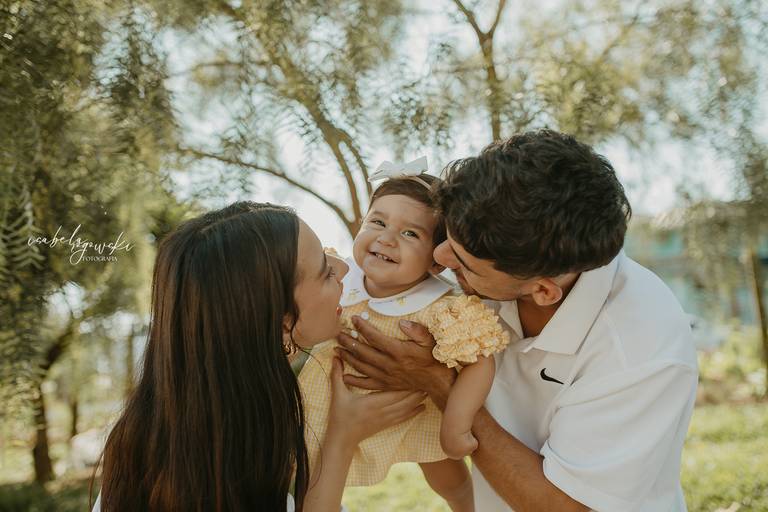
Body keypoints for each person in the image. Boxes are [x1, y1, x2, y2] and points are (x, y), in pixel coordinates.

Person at [335, 130, 699, 511]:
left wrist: (442, 387)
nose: (439, 258)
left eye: (464, 262)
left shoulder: (638, 350)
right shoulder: (498, 266)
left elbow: (567, 507)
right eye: (446, 237)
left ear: (542, 291)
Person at [91, 201, 427, 512]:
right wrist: (341, 440)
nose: (344, 269)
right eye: (325, 271)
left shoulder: (157, 429)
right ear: (282, 322)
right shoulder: (230, 461)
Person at [298, 167, 509, 512]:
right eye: (377, 222)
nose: (386, 238)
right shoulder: (337, 276)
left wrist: (455, 424)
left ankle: (466, 505)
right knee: (309, 465)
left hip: (414, 409)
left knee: (445, 474)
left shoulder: (442, 307)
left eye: (410, 233)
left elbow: (480, 360)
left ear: (437, 262)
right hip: (329, 402)